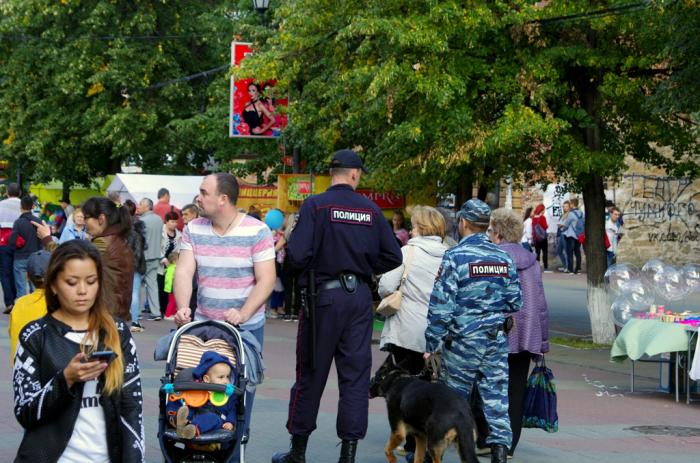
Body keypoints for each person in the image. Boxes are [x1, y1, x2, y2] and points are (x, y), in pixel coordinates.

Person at [272, 149, 403, 463]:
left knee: (310, 374)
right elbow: (394, 257)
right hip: (358, 299)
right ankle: (348, 455)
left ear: (333, 173)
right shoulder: (371, 210)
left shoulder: (316, 205)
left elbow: (297, 256)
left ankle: (298, 451)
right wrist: (362, 264)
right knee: (355, 378)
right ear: (355, 174)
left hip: (323, 299)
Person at [173, 172, 276, 460]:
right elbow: (184, 270)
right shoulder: (194, 228)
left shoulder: (257, 231)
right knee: (200, 389)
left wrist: (243, 312)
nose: (198, 197)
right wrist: (183, 306)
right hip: (205, 326)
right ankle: (201, 445)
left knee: (239, 392)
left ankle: (235, 445)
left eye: (204, 192)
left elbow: (266, 279)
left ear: (223, 199)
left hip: (245, 328)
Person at [12, 240, 144, 462]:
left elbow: (132, 408)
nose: (82, 291)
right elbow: (25, 412)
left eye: (91, 281)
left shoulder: (118, 331)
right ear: (53, 284)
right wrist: (65, 380)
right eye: (72, 283)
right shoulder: (35, 336)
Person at [424, 199, 522, 463]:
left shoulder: (455, 256)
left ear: (463, 223)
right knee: (497, 401)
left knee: (451, 403)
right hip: (495, 341)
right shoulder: (503, 256)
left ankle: (438, 455)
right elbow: (515, 301)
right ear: (486, 226)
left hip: (462, 344)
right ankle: (499, 455)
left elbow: (441, 307)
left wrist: (431, 343)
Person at [375, 205, 447, 462]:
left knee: (405, 390)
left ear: (422, 227)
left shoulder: (408, 252)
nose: (412, 228)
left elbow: (386, 286)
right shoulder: (451, 254)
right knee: (431, 388)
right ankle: (427, 446)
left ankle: (408, 445)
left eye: (415, 224)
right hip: (437, 333)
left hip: (406, 331)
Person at [488, 208, 549, 457]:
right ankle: (509, 445)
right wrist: (543, 341)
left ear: (499, 233)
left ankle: (490, 440)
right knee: (516, 390)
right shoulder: (531, 262)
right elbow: (541, 304)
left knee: (490, 387)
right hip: (527, 335)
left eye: (491, 230)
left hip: (497, 333)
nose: (489, 234)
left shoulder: (491, 259)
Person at [82, 196, 135, 321]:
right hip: (119, 313)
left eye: (86, 217)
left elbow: (70, 261)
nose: (84, 222)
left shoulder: (103, 243)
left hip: (107, 315)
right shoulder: (118, 238)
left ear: (101, 219)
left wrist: (47, 239)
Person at [168, 351, 237, 439]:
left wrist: (230, 422)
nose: (226, 381)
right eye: (221, 377)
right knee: (186, 407)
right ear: (206, 379)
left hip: (216, 419)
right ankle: (177, 420)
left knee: (211, 418)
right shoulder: (199, 389)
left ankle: (191, 430)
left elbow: (233, 410)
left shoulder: (229, 395)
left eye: (227, 376)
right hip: (193, 416)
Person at [8, 249, 50, 363]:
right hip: (45, 371)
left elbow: (12, 332)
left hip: (20, 368)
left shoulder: (19, 304)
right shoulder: (57, 303)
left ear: (27, 276)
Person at [9, 196, 43, 299]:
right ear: (33, 206)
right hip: (35, 257)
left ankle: (22, 312)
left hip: (20, 258)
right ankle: (34, 312)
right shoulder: (38, 221)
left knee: (21, 288)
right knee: (35, 288)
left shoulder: (18, 222)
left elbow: (12, 242)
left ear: (21, 207)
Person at [139, 197, 164, 321]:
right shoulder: (159, 219)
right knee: (152, 285)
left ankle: (136, 312)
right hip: (155, 256)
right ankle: (156, 312)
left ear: (147, 206)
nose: (139, 206)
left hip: (143, 257)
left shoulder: (141, 221)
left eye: (141, 204)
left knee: (137, 285)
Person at [124, 200, 147, 332]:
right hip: (135, 264)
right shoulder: (138, 226)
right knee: (134, 293)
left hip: (121, 263)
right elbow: (141, 247)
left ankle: (120, 320)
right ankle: (135, 321)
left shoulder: (118, 226)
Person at [0, 182, 22, 310]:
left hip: (3, 242)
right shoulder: (24, 205)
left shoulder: (1, 205)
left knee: (5, 272)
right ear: (19, 193)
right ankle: (18, 299)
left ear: (7, 193)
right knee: (18, 271)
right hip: (20, 242)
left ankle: (9, 302)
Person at [158, 211, 181, 319]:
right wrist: (163, 258)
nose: (174, 224)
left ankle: (167, 311)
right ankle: (161, 310)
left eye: (176, 222)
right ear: (166, 221)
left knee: (170, 289)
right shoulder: (160, 231)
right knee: (161, 286)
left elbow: (178, 249)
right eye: (172, 221)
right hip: (160, 264)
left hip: (172, 265)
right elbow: (156, 246)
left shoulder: (179, 235)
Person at [563, 197, 584, 274]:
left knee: (570, 253)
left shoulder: (571, 214)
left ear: (572, 204)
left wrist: (562, 229)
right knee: (577, 252)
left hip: (571, 235)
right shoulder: (581, 213)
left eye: (570, 204)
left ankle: (570, 269)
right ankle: (578, 269)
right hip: (579, 235)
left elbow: (566, 224)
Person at [532, 204, 549, 271]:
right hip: (543, 238)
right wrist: (547, 225)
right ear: (542, 210)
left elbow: (533, 229)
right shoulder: (542, 217)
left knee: (537, 252)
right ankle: (545, 267)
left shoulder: (533, 218)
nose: (544, 211)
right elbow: (545, 227)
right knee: (545, 252)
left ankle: (537, 267)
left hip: (536, 238)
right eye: (544, 209)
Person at [555, 201, 570, 272]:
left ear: (569, 207)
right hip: (561, 234)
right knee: (559, 251)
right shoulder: (562, 215)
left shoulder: (570, 215)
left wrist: (562, 225)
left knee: (566, 251)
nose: (564, 208)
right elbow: (559, 224)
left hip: (566, 234)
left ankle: (567, 267)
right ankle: (565, 266)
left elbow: (569, 225)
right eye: (564, 206)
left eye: (566, 206)